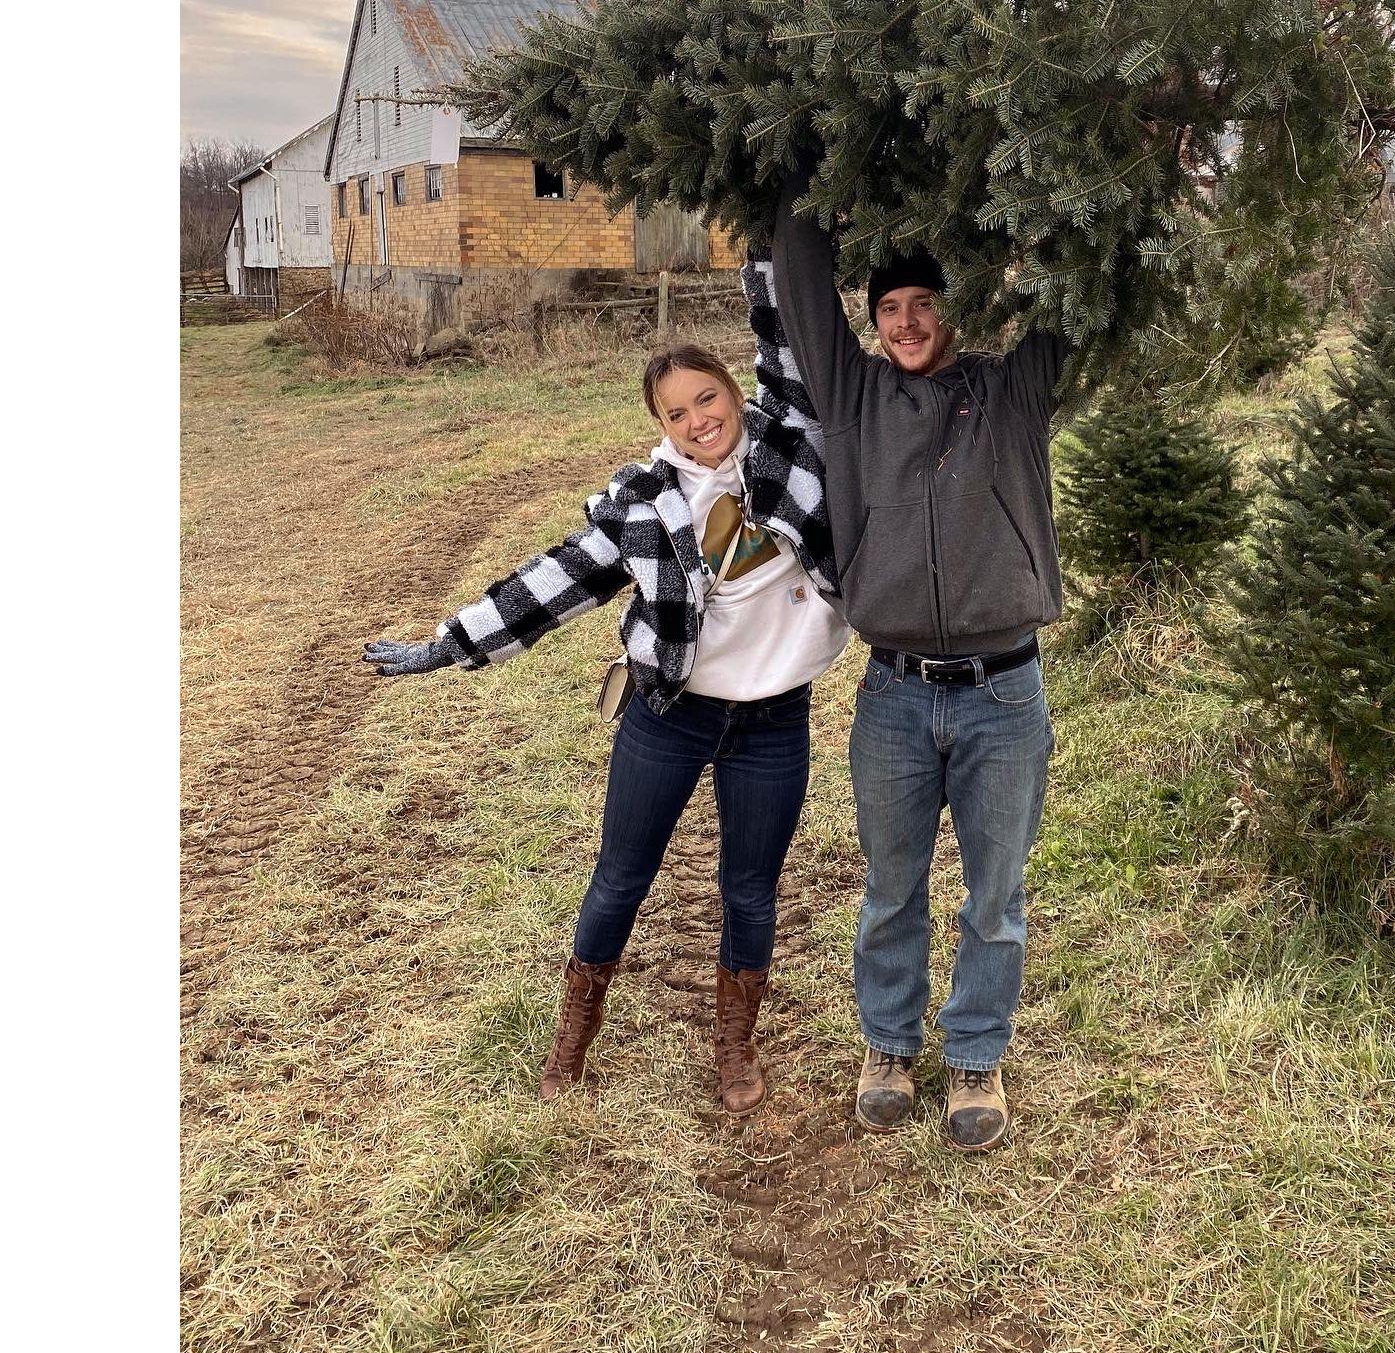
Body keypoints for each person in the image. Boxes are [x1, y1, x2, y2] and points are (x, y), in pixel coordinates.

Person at [363, 260, 847, 1114]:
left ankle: (735, 1048)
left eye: (709, 398)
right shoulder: (643, 501)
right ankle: (572, 1040)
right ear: (660, 425)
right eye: (677, 412)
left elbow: (788, 344)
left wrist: (771, 243)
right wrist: (450, 645)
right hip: (670, 714)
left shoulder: (790, 445)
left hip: (776, 720)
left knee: (749, 888)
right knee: (621, 877)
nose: (700, 420)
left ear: (735, 393)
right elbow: (556, 580)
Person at [771, 178, 1069, 1152]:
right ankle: (888, 1047)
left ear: (956, 306)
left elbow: (1074, 291)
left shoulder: (1013, 391)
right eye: (888, 308)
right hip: (894, 692)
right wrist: (809, 164)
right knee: (891, 886)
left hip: (1004, 693)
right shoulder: (853, 393)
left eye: (923, 303)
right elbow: (803, 288)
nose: (905, 322)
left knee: (996, 894)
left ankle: (976, 1058)